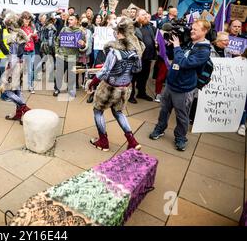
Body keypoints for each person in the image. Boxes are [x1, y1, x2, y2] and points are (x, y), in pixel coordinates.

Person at [149, 19, 211, 151]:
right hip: (171, 84)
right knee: (164, 111)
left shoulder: (204, 50)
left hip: (184, 89)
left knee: (182, 116)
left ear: (205, 31)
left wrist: (177, 46)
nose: (192, 31)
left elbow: (185, 63)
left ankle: (180, 137)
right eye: (192, 28)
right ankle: (159, 129)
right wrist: (170, 45)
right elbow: (172, 56)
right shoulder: (188, 42)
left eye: (195, 29)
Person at [88, 17, 143, 151]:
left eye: (116, 32)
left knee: (98, 110)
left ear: (120, 33)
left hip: (110, 88)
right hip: (125, 88)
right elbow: (137, 69)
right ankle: (132, 141)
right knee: (118, 112)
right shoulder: (136, 51)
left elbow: (105, 71)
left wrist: (93, 82)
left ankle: (103, 141)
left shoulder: (114, 51)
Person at [0, 12, 31, 123]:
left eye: (6, 26)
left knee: (6, 91)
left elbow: (13, 58)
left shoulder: (13, 37)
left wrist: (7, 74)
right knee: (17, 90)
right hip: (20, 64)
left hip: (15, 66)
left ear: (9, 25)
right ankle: (19, 114)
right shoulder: (20, 35)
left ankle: (24, 108)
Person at [53, 14, 86, 97]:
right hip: (61, 55)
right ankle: (57, 89)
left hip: (72, 57)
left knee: (72, 75)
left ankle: (71, 90)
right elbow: (57, 41)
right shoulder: (64, 29)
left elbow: (84, 46)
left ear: (76, 21)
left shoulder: (80, 32)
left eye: (71, 19)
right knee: (59, 74)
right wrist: (56, 52)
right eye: (69, 19)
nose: (69, 21)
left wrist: (83, 44)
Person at [129, 9, 156, 103]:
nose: (146, 16)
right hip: (137, 57)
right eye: (143, 15)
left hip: (148, 57)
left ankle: (141, 93)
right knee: (133, 77)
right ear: (137, 16)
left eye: (146, 14)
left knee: (144, 76)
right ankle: (130, 95)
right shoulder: (133, 26)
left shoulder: (149, 26)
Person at [20, 11, 38, 94]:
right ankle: (18, 87)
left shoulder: (31, 28)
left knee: (30, 70)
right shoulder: (20, 29)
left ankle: (30, 86)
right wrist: (30, 35)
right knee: (21, 70)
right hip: (24, 52)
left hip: (32, 51)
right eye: (25, 19)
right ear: (22, 19)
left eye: (28, 19)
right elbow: (20, 40)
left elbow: (36, 40)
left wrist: (35, 36)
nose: (27, 21)